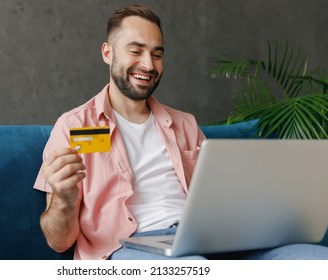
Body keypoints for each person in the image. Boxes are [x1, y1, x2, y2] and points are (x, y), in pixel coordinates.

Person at [34, 4, 328, 260]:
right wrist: (64, 198)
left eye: (157, 54)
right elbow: (58, 241)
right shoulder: (74, 126)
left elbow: (218, 202)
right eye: (136, 51)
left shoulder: (186, 124)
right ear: (108, 53)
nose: (148, 64)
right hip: (124, 249)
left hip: (202, 240)